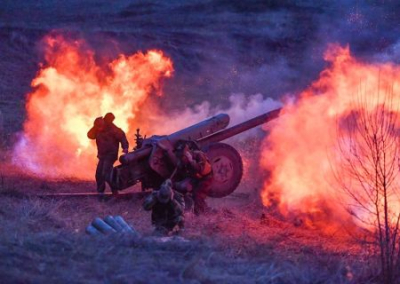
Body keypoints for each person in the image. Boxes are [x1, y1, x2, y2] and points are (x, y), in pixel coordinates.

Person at [87, 113, 129, 195]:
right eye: (97, 128)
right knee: (99, 174)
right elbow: (90, 135)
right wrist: (94, 128)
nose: (99, 129)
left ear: (104, 124)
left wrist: (125, 147)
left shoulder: (113, 129)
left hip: (111, 154)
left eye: (100, 127)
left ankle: (115, 191)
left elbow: (122, 136)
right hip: (102, 155)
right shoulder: (97, 129)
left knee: (106, 173)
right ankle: (100, 193)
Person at [173, 140, 213, 215]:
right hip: (195, 178)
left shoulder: (199, 155)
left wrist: (191, 161)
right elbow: (182, 173)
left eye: (182, 156)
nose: (181, 159)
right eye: (179, 157)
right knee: (179, 188)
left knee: (197, 196)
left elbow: (199, 168)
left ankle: (204, 213)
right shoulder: (182, 161)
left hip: (205, 178)